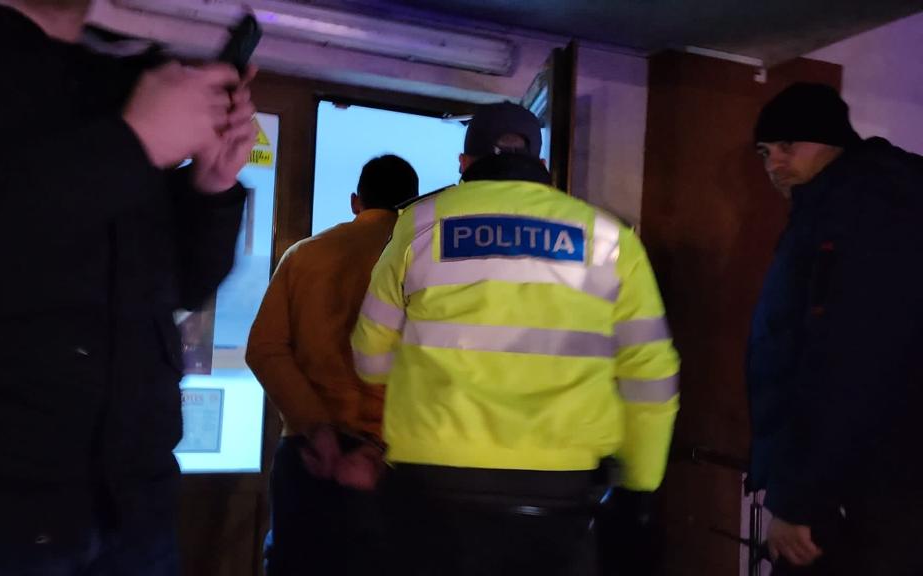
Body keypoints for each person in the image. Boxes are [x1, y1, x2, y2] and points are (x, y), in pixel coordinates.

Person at [0, 0, 258, 574]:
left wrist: (211, 186)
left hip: (132, 510)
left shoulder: (120, 80)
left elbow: (178, 289)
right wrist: (133, 143)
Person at [350, 102, 680, 576]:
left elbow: (369, 357)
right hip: (561, 489)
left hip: (435, 481)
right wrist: (640, 485)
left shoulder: (421, 224)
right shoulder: (609, 238)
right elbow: (651, 374)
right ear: (540, 163)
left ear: (464, 163)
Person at [747, 83, 923, 575]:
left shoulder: (856, 211)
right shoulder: (870, 200)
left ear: (831, 142)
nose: (773, 164)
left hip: (858, 492)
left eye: (788, 145)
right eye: (764, 151)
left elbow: (847, 359)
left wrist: (798, 498)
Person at [247, 155, 420, 576]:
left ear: (356, 202)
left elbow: (264, 349)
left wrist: (316, 426)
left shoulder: (304, 255)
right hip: (389, 459)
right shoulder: (417, 262)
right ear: (414, 205)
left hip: (309, 452)